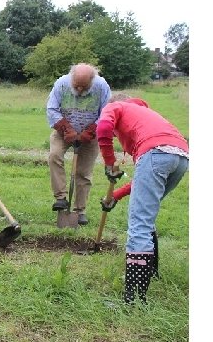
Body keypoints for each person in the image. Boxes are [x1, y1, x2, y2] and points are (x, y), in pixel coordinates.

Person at [97, 94, 189, 305]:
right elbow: (145, 179)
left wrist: (109, 162)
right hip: (180, 157)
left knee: (139, 225)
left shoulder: (116, 106)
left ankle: (134, 300)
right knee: (146, 217)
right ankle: (150, 272)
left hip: (156, 154)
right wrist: (116, 195)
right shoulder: (146, 115)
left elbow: (103, 127)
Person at [46, 63, 111, 225]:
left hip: (90, 134)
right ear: (72, 79)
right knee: (54, 156)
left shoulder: (102, 86)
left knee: (83, 172)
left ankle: (80, 210)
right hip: (63, 131)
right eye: (77, 86)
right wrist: (67, 129)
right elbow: (52, 109)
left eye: (84, 86)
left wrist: (90, 132)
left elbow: (107, 113)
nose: (80, 89)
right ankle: (61, 198)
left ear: (92, 80)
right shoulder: (62, 83)